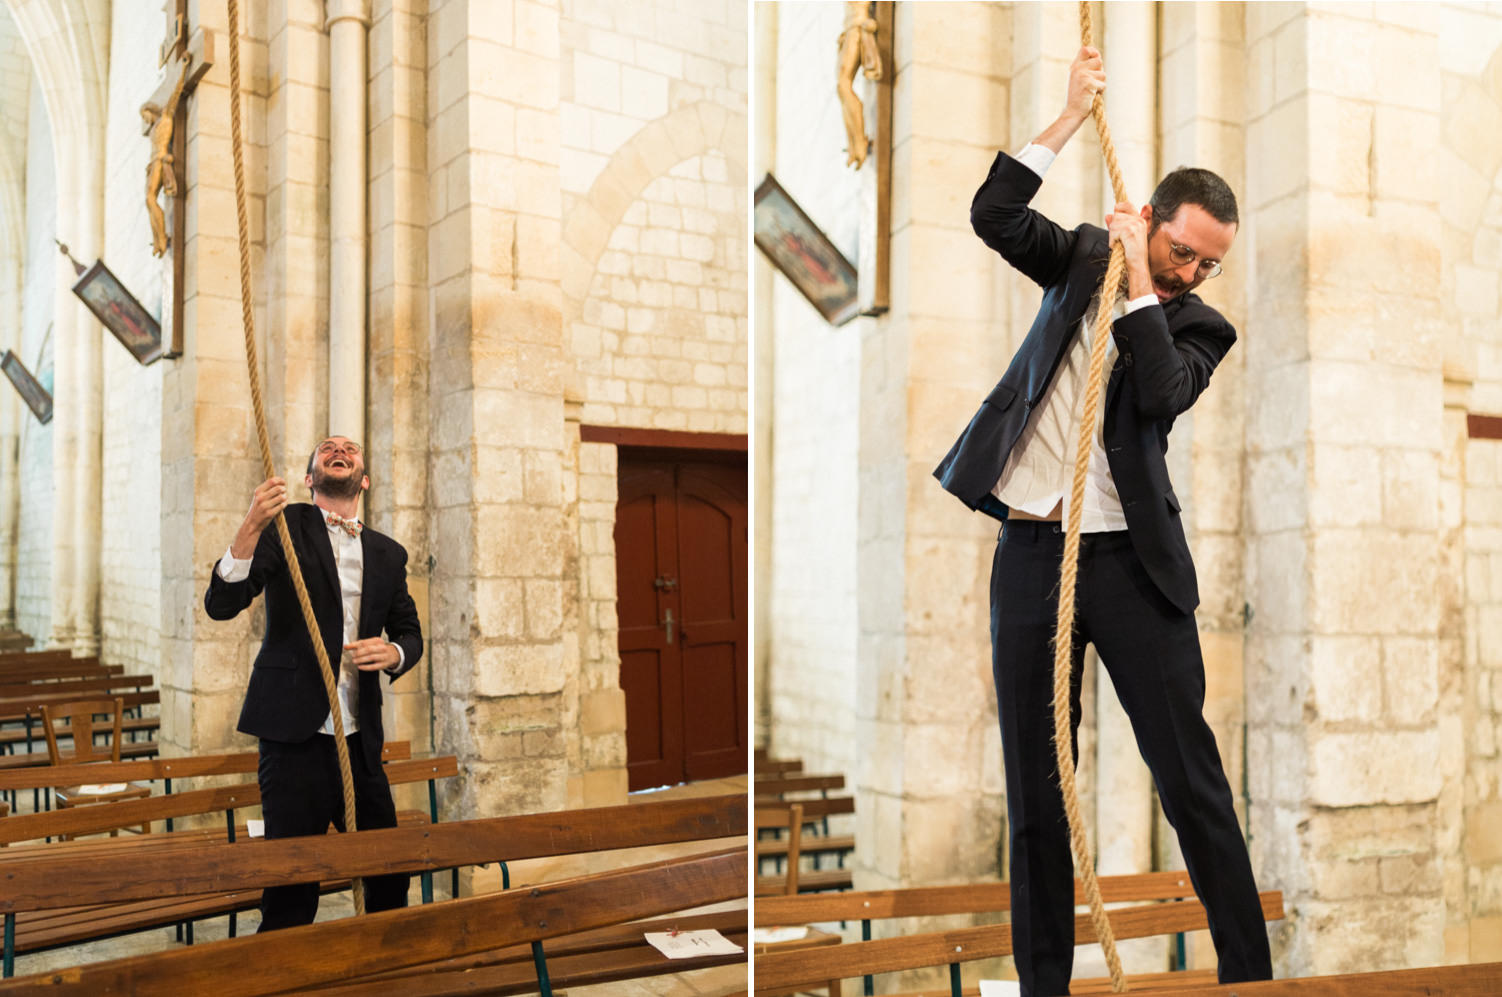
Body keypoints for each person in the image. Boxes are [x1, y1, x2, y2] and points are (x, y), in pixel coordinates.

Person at [933, 46, 1273, 995]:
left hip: (1133, 567)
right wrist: (1069, 118)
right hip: (1034, 550)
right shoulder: (1083, 253)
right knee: (1038, 790)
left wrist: (1141, 286)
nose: (1193, 269)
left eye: (1209, 261)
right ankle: (1045, 984)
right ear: (1150, 218)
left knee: (1191, 779)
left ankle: (1253, 976)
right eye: (1181, 249)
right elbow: (991, 215)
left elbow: (1159, 394)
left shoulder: (1200, 325)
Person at [205, 436, 422, 930]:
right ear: (309, 478)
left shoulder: (388, 554)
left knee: (389, 872)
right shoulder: (289, 526)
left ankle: (385, 973)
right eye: (326, 448)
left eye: (349, 448)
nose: (338, 449)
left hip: (358, 739)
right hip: (293, 736)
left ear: (363, 479)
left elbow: (411, 633)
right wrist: (253, 522)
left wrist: (392, 652)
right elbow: (222, 605)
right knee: (291, 885)